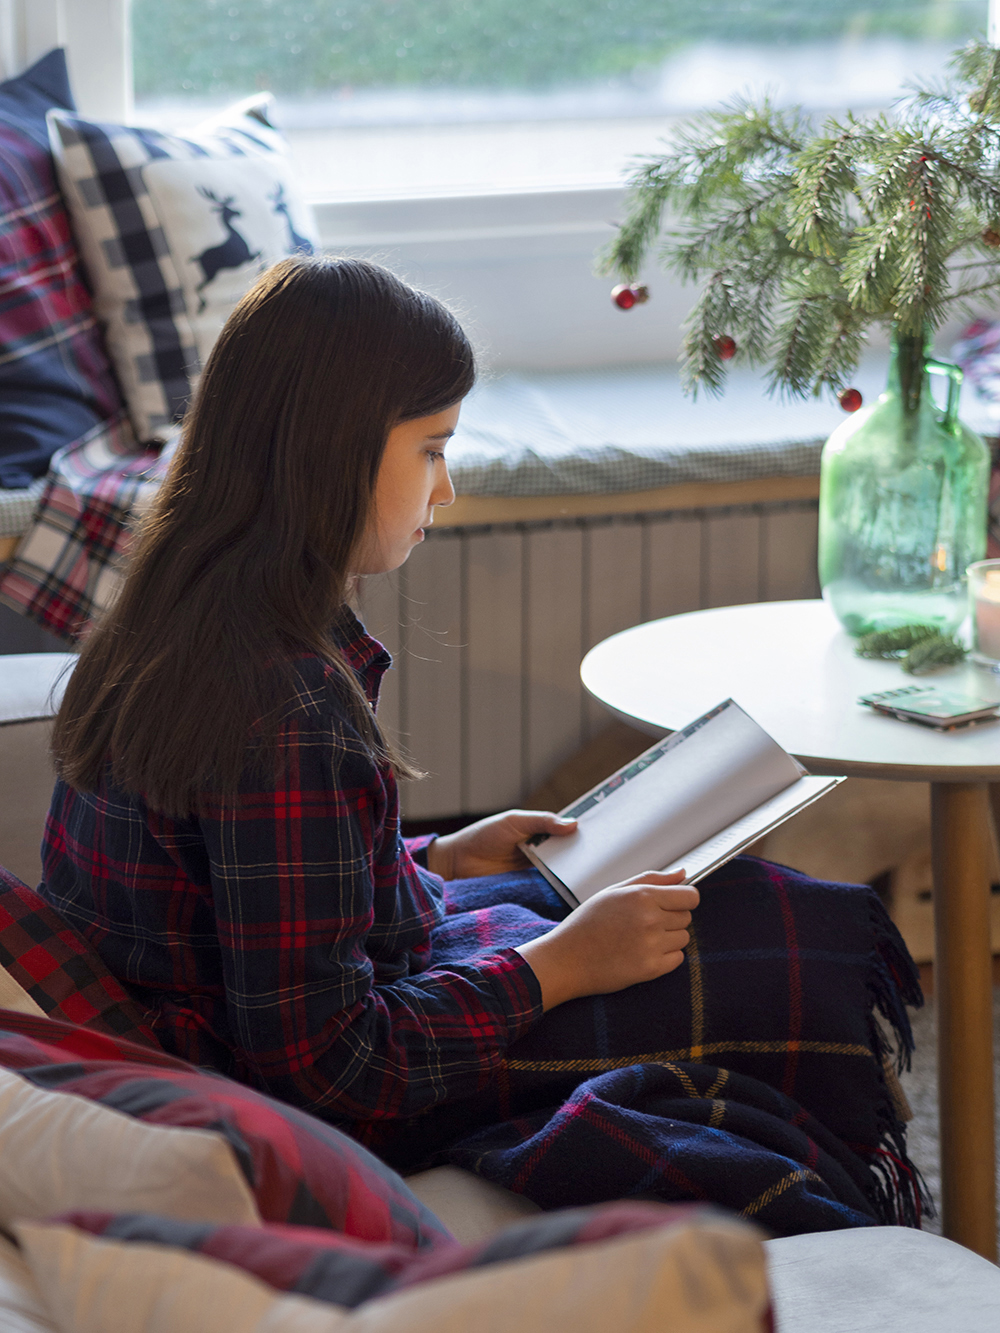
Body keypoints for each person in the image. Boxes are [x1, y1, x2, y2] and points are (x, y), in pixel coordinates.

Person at [41, 257, 920, 1230]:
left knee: (729, 903)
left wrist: (442, 856)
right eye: (431, 448)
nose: (446, 488)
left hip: (234, 1036)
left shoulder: (177, 617)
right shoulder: (279, 708)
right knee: (771, 956)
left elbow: (259, 898)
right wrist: (560, 968)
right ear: (329, 450)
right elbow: (337, 1066)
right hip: (292, 1102)